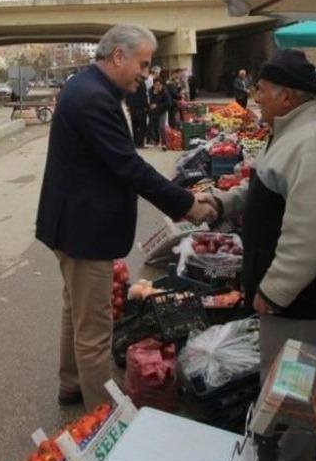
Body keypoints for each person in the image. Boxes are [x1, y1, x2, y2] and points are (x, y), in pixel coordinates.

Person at [198, 49, 316, 461]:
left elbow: (309, 235)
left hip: (307, 297)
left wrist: (274, 291)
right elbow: (266, 187)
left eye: (263, 90)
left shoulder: (314, 146)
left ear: (286, 96)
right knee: (312, 373)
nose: (256, 96)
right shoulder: (291, 133)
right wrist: (224, 202)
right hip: (307, 295)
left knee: (292, 388)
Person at [35, 24, 216, 409]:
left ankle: (71, 385)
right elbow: (128, 166)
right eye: (144, 64)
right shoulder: (93, 98)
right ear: (119, 56)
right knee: (94, 328)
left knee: (76, 309)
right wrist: (186, 203)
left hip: (72, 223)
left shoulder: (88, 87)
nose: (146, 74)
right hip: (84, 229)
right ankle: (101, 416)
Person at [124, 79, 149, 148]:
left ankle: (135, 142)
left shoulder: (130, 83)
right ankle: (140, 143)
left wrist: (128, 105)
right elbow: (144, 96)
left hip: (132, 108)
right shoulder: (142, 84)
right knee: (142, 126)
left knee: (134, 126)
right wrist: (147, 106)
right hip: (141, 108)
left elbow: (126, 95)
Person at [149, 77, 172, 149]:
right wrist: (154, 95)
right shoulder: (151, 90)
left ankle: (164, 143)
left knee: (161, 127)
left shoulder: (165, 92)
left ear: (161, 85)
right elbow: (150, 101)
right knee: (154, 126)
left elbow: (168, 104)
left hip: (162, 111)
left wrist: (157, 105)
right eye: (155, 85)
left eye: (159, 85)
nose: (157, 86)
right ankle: (156, 141)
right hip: (154, 111)